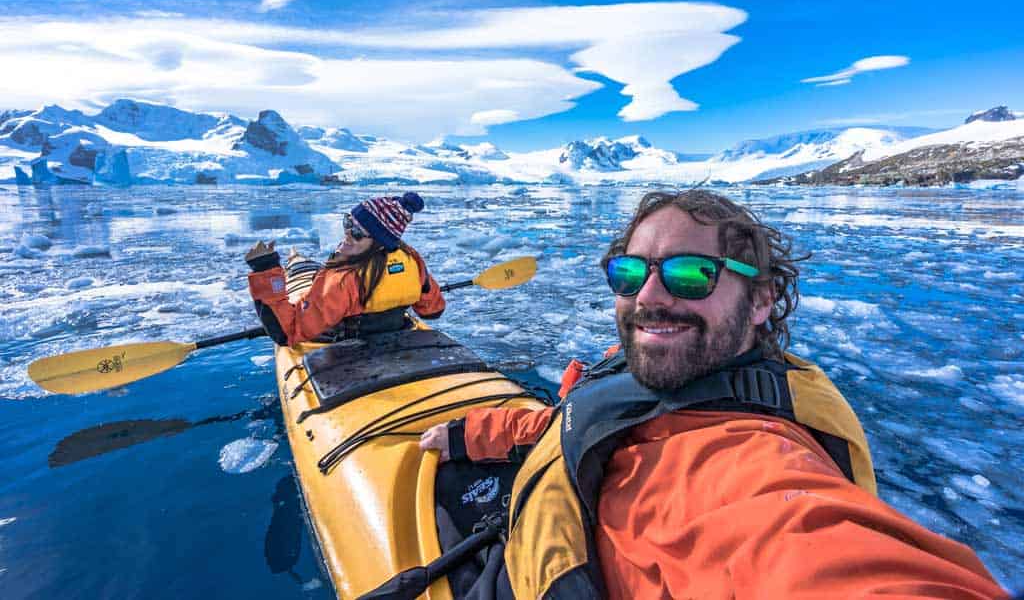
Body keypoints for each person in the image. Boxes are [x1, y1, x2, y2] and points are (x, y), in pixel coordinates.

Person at [419, 189, 1008, 599]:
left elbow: (804, 546)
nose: (649, 296)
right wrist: (474, 434)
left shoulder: (744, 457)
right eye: (630, 273)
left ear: (760, 299)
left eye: (691, 274)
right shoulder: (648, 368)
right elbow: (572, 420)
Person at [245, 192, 445, 346]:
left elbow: (287, 332)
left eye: (357, 233)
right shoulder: (411, 260)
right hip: (398, 337)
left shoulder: (343, 280)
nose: (348, 234)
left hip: (350, 350)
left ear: (380, 242)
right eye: (347, 223)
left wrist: (264, 269)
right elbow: (433, 310)